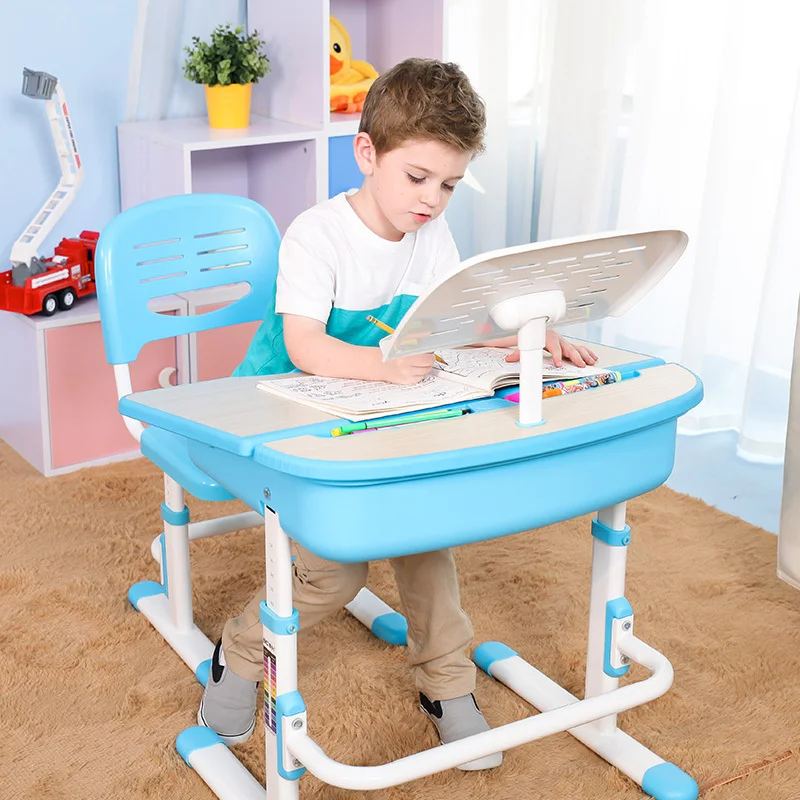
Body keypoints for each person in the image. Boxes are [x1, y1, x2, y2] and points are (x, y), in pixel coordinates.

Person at [198, 57, 597, 770]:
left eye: (448, 184)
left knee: (426, 530)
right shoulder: (316, 235)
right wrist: (382, 367)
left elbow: (454, 320)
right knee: (334, 575)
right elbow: (305, 346)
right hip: (272, 419)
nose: (432, 200)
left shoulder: (430, 235)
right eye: (417, 178)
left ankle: (447, 685)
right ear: (367, 153)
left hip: (373, 413)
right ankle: (240, 648)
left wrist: (531, 332)